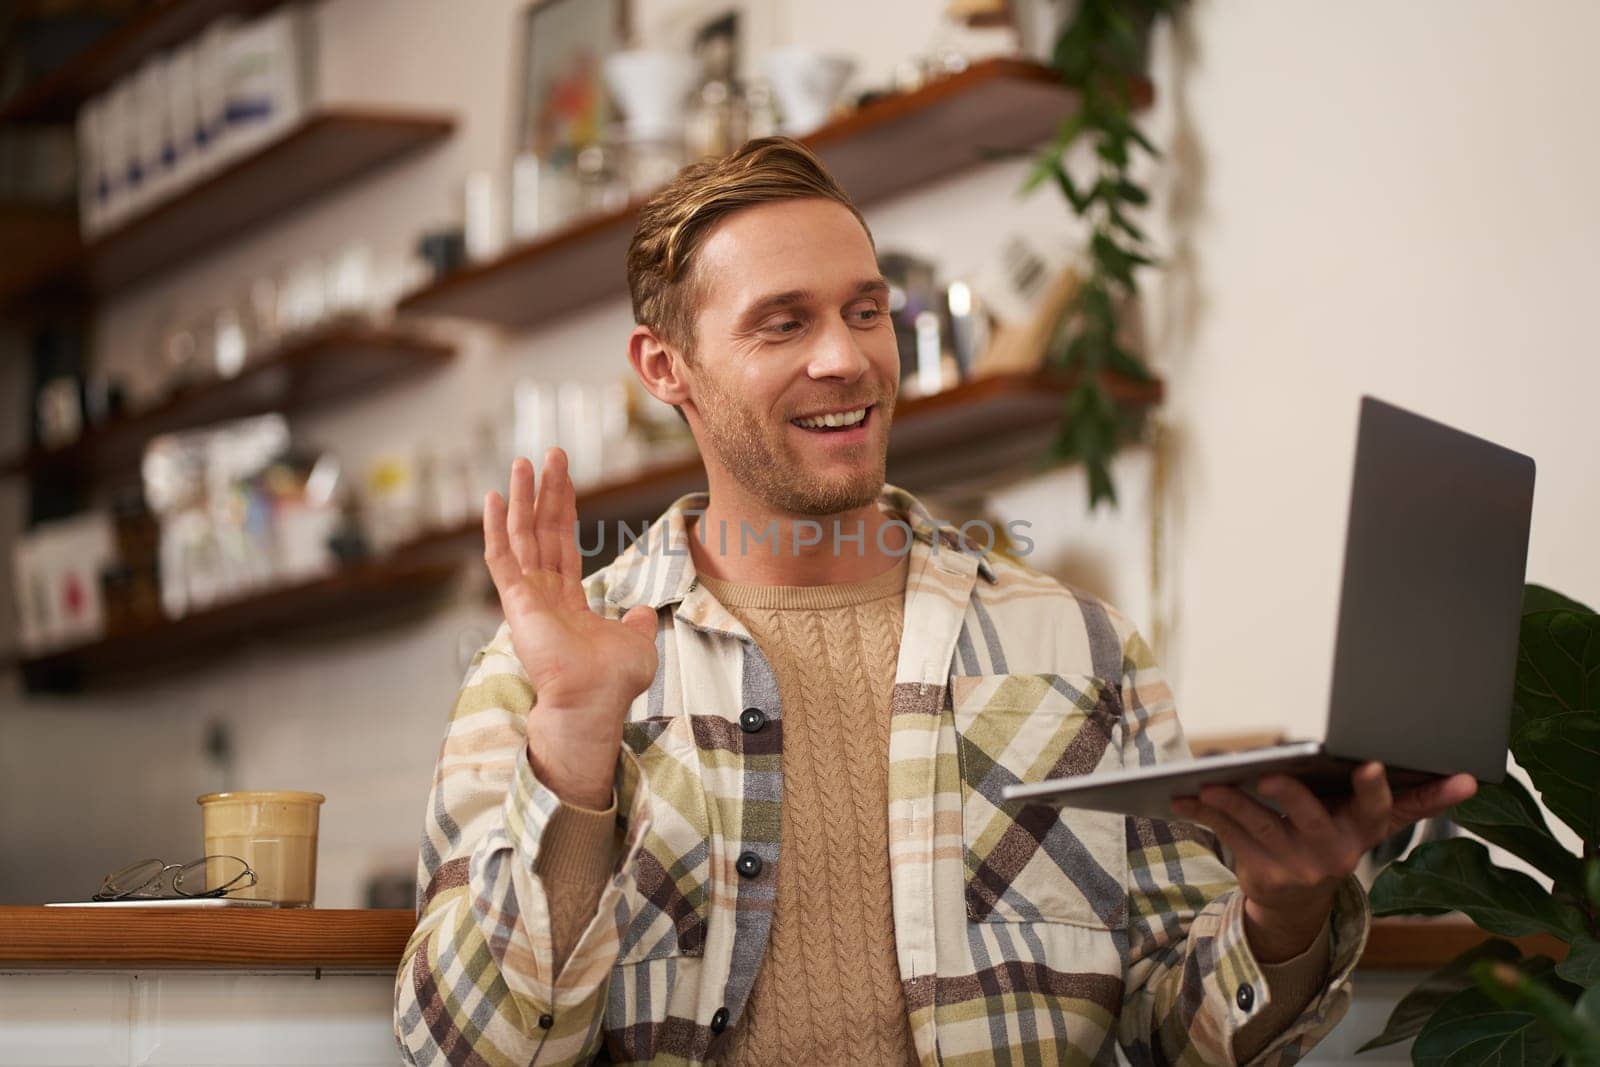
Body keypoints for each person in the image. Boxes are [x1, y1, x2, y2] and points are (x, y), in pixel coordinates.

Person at [393, 138, 1474, 1066]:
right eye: (782, 323)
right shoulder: (548, 668)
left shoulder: (1078, 645)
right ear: (664, 365)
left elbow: (1171, 1032)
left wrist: (1283, 913)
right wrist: (576, 744)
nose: (847, 357)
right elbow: (469, 1047)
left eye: (867, 311)